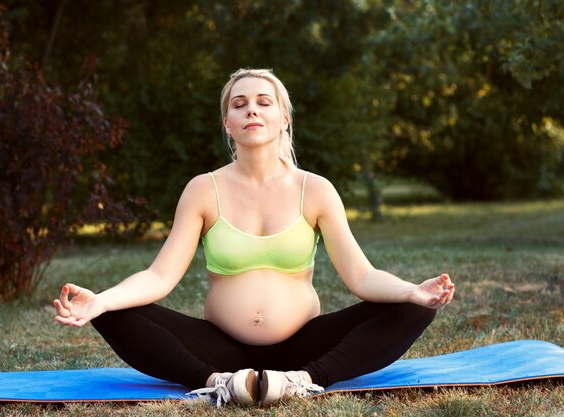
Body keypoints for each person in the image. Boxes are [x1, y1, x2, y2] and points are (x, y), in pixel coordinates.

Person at [53, 68, 455, 407]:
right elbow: (159, 277)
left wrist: (411, 291)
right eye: (239, 104)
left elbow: (362, 277)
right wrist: (101, 301)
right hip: (218, 349)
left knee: (414, 308)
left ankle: (304, 380)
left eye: (264, 102)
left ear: (284, 118)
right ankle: (217, 384)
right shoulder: (202, 189)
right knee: (115, 311)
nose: (252, 110)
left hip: (303, 347)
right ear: (227, 122)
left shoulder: (314, 189)